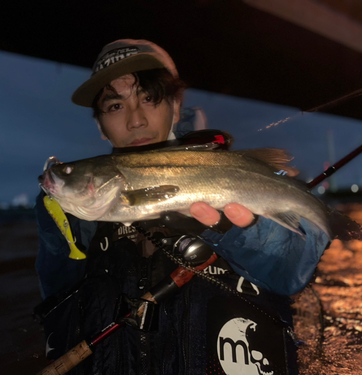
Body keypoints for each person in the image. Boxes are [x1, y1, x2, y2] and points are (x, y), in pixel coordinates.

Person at [34, 39, 329, 375]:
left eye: (149, 98)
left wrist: (239, 230)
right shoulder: (71, 213)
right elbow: (57, 306)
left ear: (175, 106)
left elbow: (294, 271)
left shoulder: (231, 169)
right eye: (116, 106)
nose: (136, 120)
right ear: (100, 125)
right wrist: (59, 223)